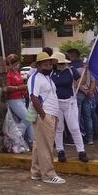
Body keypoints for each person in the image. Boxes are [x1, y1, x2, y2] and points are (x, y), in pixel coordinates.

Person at [28, 52, 65, 184]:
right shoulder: (36, 78)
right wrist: (42, 115)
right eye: (45, 63)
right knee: (46, 146)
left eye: (50, 63)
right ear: (38, 65)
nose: (49, 65)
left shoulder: (47, 78)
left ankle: (36, 171)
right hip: (45, 115)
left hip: (50, 114)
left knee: (40, 145)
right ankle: (48, 174)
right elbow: (33, 97)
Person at [49, 53, 88, 163]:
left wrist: (85, 70)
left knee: (74, 127)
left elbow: (82, 82)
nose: (61, 65)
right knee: (59, 128)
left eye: (62, 63)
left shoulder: (71, 70)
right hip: (56, 104)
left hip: (70, 103)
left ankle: (81, 151)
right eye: (59, 63)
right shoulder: (51, 72)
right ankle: (60, 151)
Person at [4, 54, 32, 149]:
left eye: (18, 64)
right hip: (13, 99)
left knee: (29, 119)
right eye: (16, 64)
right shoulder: (9, 75)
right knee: (28, 118)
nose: (18, 66)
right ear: (10, 65)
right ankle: (17, 135)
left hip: (21, 98)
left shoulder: (16, 72)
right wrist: (19, 87)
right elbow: (7, 88)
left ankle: (31, 140)